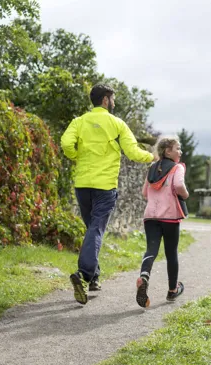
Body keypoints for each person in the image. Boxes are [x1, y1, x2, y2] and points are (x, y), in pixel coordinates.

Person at [61, 84, 154, 305]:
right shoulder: (117, 124)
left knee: (92, 229)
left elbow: (66, 143)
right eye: (112, 99)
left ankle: (94, 278)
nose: (114, 103)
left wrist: (76, 155)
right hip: (104, 187)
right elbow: (132, 152)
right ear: (105, 100)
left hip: (83, 185)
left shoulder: (79, 121)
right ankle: (83, 274)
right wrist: (153, 158)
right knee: (96, 229)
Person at [135, 136, 189, 308]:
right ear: (168, 151)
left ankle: (144, 276)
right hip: (170, 217)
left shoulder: (152, 167)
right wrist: (185, 195)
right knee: (171, 253)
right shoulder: (177, 168)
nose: (180, 151)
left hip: (150, 216)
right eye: (177, 148)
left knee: (151, 249)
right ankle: (172, 290)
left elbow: (145, 193)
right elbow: (179, 186)